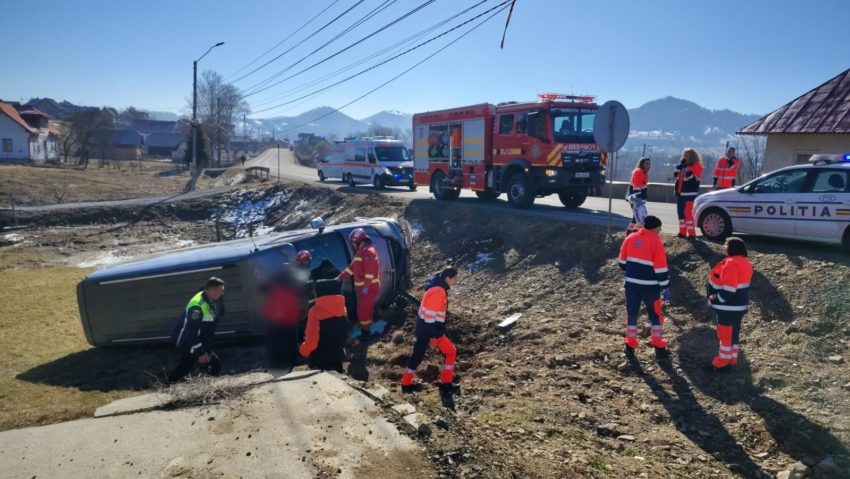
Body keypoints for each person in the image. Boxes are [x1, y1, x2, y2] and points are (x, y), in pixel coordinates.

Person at [400, 267, 460, 406]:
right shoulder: (438, 292)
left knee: (417, 356)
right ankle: (446, 386)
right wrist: (435, 335)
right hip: (429, 329)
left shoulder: (437, 287)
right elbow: (429, 317)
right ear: (448, 278)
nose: (456, 281)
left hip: (426, 329)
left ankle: (406, 383)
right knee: (450, 352)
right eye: (455, 278)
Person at [618, 216, 670, 360]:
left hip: (631, 285)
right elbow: (660, 268)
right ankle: (658, 345)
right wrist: (665, 287)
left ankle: (630, 344)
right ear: (654, 228)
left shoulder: (630, 238)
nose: (660, 230)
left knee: (632, 315)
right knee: (655, 316)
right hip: (650, 288)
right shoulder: (655, 241)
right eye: (659, 228)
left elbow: (622, 263)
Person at [707, 237, 753, 370]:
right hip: (739, 306)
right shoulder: (745, 263)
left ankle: (721, 363)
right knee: (734, 334)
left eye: (726, 244)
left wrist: (716, 298)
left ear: (732, 248)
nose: (724, 246)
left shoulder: (730, 263)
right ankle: (732, 359)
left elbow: (729, 290)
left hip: (727, 307)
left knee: (725, 335)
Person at [168, 277, 226, 383]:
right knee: (211, 364)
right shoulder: (197, 307)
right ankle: (167, 385)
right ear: (212, 290)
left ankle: (167, 384)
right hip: (191, 342)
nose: (222, 294)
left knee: (185, 366)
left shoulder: (208, 298)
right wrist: (200, 352)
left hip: (199, 341)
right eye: (221, 290)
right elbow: (191, 332)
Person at [260, 250, 312, 370]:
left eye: (307, 260)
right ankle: (294, 357)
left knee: (288, 334)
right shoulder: (301, 272)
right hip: (295, 309)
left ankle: (289, 357)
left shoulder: (291, 273)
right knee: (292, 334)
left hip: (287, 310)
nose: (307, 262)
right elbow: (304, 291)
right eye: (305, 260)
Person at [337, 228, 380, 338]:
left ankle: (366, 333)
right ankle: (367, 328)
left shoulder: (368, 252)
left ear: (359, 241)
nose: (353, 245)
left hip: (369, 288)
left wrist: (365, 287)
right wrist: (339, 277)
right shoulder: (360, 253)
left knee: (363, 310)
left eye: (353, 243)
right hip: (364, 289)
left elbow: (369, 273)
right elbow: (351, 269)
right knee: (364, 309)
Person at [299, 279, 349, 373]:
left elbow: (312, 341)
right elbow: (344, 332)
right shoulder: (342, 308)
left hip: (320, 360)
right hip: (338, 356)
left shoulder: (314, 312)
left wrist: (303, 351)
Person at [674, 148, 703, 238]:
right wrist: (680, 166)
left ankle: (691, 234)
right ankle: (682, 232)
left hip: (690, 194)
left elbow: (692, 178)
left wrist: (686, 168)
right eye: (684, 155)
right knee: (680, 213)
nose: (685, 157)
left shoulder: (697, 165)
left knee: (688, 214)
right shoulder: (682, 166)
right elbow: (675, 175)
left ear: (692, 156)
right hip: (680, 193)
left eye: (687, 155)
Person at [626, 157, 651, 233]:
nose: (648, 165)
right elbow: (636, 188)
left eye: (649, 164)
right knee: (638, 217)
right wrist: (638, 201)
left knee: (636, 217)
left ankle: (632, 232)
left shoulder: (643, 172)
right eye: (646, 163)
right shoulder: (638, 172)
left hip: (639, 199)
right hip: (636, 199)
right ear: (641, 163)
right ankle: (631, 232)